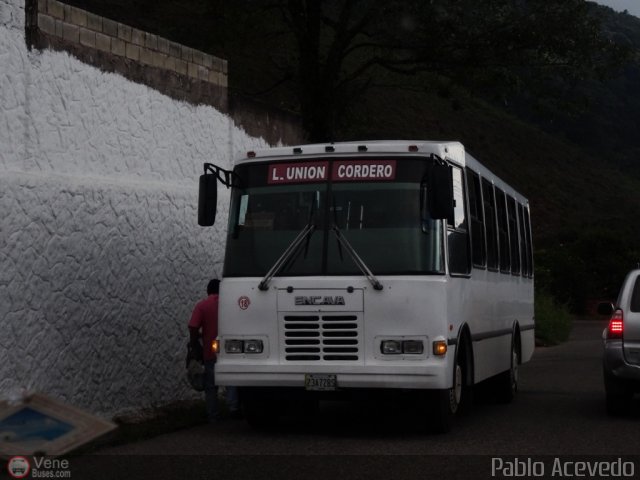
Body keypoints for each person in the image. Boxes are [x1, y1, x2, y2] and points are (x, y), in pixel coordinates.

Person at [188, 279, 240, 422]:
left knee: (211, 385)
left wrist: (194, 342)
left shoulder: (202, 306)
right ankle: (233, 408)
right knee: (232, 381)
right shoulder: (230, 305)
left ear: (208, 291)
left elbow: (192, 326)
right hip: (230, 350)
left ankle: (213, 415)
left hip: (210, 351)